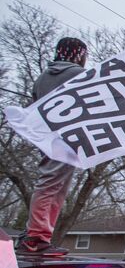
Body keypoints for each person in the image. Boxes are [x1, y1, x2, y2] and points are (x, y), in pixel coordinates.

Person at [14, 38, 88, 255]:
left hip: (47, 137)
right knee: (51, 186)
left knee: (54, 185)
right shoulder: (78, 75)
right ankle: (36, 236)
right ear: (78, 54)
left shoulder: (42, 79)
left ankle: (41, 235)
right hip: (65, 138)